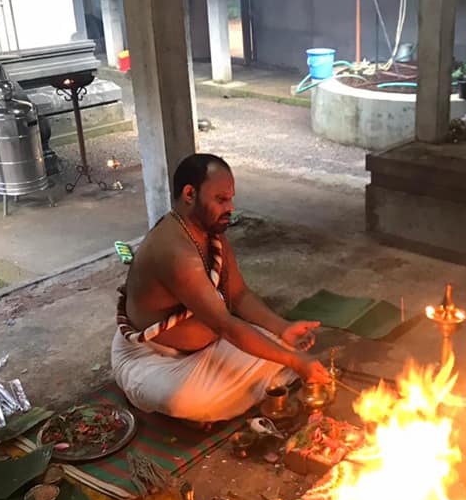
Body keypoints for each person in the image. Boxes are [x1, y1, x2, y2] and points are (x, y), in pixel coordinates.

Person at [111, 153, 330, 422]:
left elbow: (239, 295)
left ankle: (252, 386)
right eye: (221, 199)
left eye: (231, 198)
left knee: (282, 347)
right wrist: (295, 362)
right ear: (190, 194)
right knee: (190, 401)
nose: (231, 208)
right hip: (152, 359)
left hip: (208, 348)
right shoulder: (175, 251)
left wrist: (283, 328)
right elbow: (226, 326)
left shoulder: (208, 233)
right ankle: (232, 397)